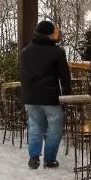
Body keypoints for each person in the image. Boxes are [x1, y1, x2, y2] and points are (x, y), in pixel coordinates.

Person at [19, 18, 72, 169]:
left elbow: (23, 75)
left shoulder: (25, 51)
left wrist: (26, 94)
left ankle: (34, 158)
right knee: (54, 128)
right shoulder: (57, 52)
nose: (57, 33)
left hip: (31, 97)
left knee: (35, 126)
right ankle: (49, 159)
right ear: (49, 34)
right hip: (50, 97)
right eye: (55, 31)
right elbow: (64, 77)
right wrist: (67, 96)